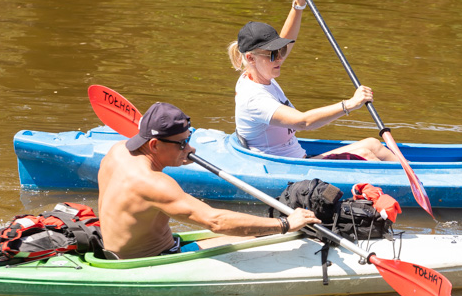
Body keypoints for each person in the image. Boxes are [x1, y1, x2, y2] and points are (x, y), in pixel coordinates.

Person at [97, 102, 320, 259]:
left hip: (117, 253)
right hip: (151, 262)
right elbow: (216, 222)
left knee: (254, 233)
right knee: (274, 239)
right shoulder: (154, 183)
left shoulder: (117, 152)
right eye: (182, 143)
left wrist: (176, 152)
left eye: (189, 140)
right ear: (154, 145)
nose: (190, 149)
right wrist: (286, 224)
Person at [226, 0, 397, 162]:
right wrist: (349, 104)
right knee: (365, 155)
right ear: (251, 58)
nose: (281, 58)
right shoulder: (254, 99)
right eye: (272, 55)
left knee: (372, 144)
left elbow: (287, 39)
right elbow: (303, 122)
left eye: (281, 51)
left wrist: (299, 5)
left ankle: (416, 177)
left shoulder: (260, 71)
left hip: (301, 158)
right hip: (288, 169)